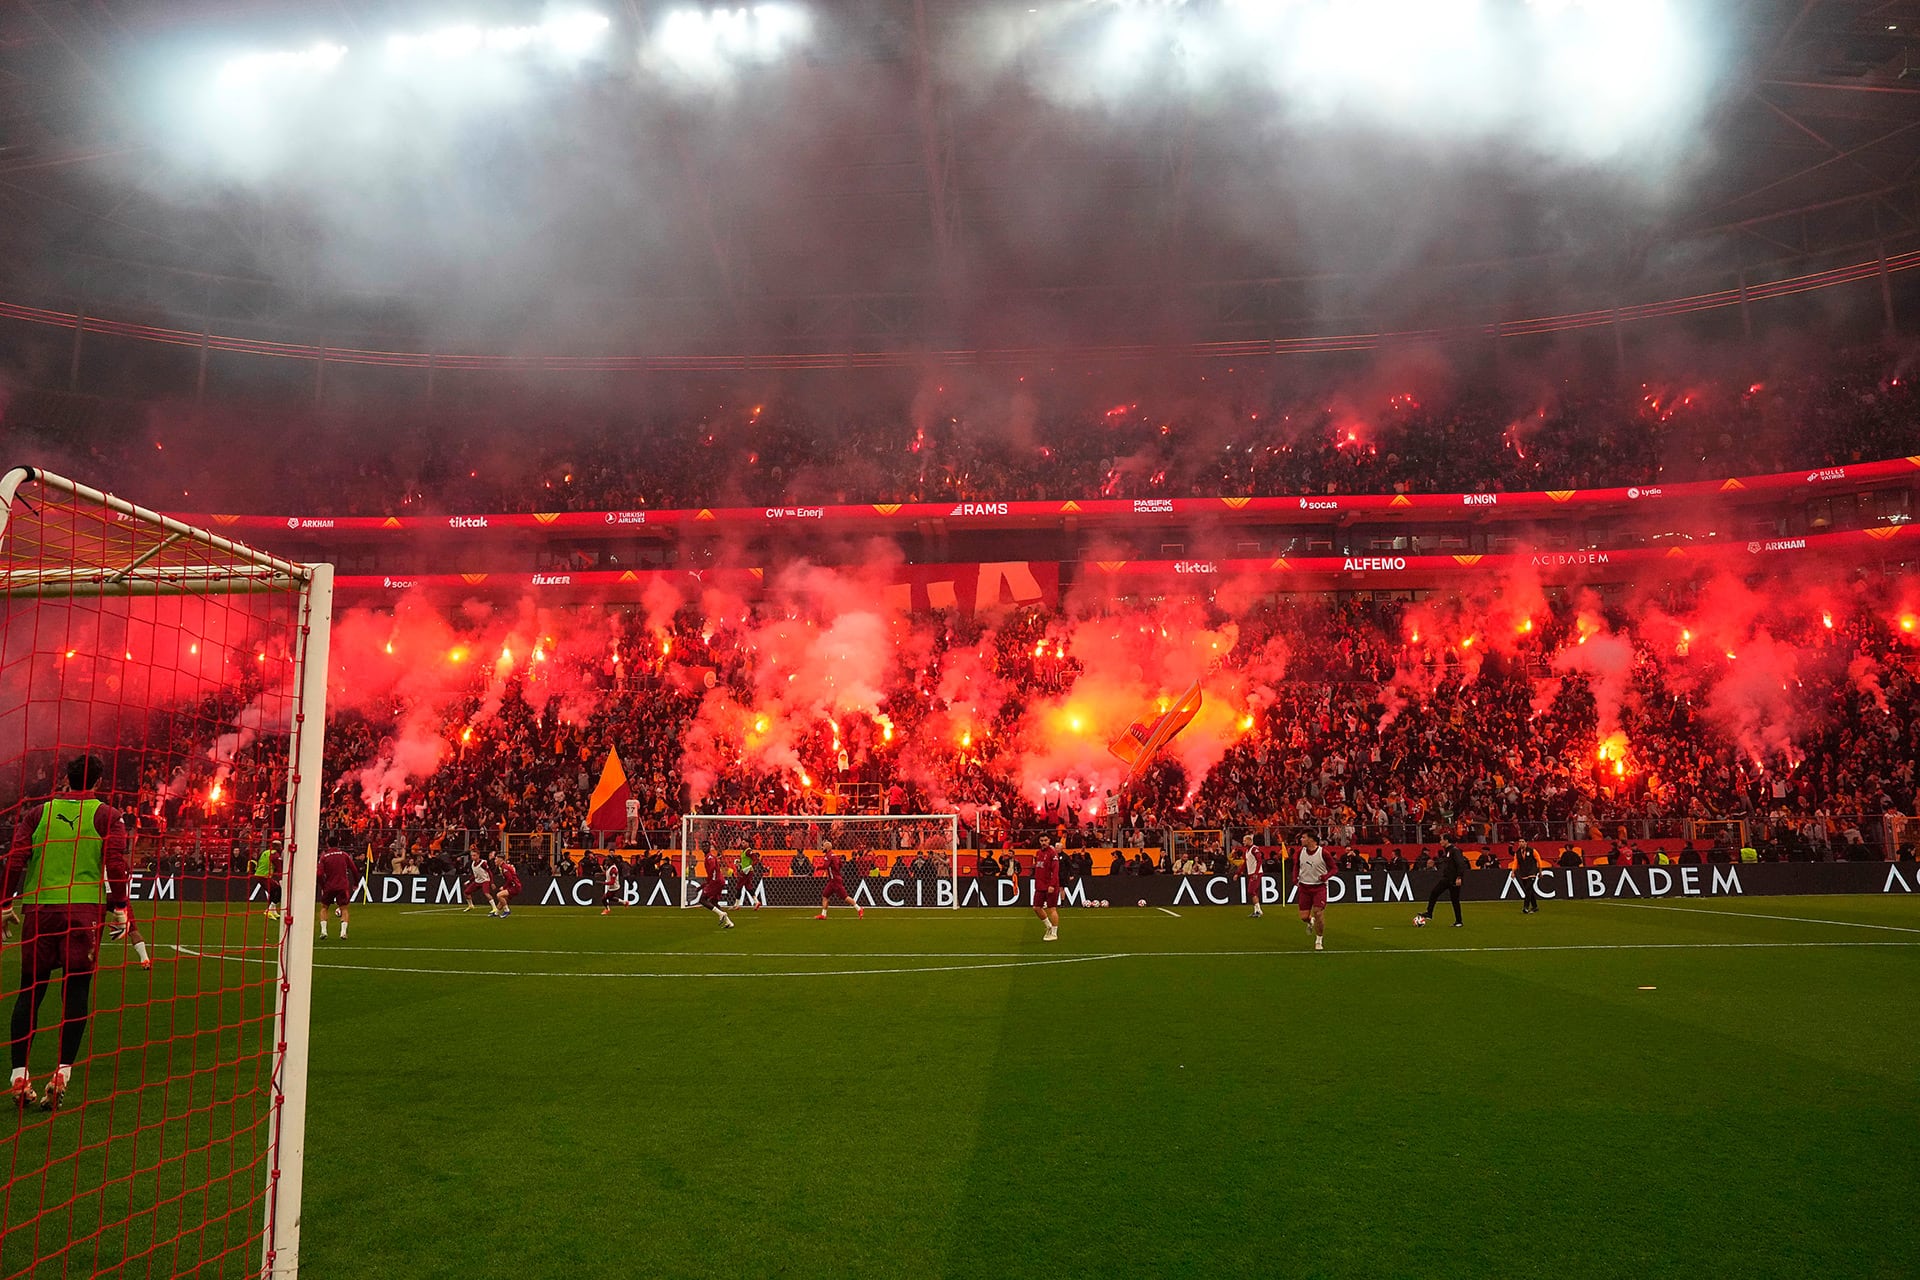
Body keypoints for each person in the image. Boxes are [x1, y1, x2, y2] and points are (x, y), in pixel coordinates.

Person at [3, 754, 131, 1113]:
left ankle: (18, 1074)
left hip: (40, 913)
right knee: (76, 992)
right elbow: (116, 864)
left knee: (30, 991)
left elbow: (15, 857)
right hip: (83, 913)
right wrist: (119, 907)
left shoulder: (38, 813)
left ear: (65, 778)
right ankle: (61, 1074)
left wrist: (4, 903)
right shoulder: (107, 815)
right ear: (99, 782)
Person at [1415, 840, 1469, 927]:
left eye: (1441, 839)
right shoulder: (1448, 851)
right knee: (1437, 894)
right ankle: (1431, 913)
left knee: (1451, 898)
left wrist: (1459, 877)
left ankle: (1457, 921)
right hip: (1448, 878)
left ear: (1446, 840)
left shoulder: (1454, 851)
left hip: (1452, 879)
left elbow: (1460, 864)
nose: (1440, 842)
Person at [1293, 833, 1331, 951]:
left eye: (1304, 837)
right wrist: (1294, 878)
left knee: (1318, 912)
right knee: (1304, 917)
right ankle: (1310, 921)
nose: (1301, 839)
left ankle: (1319, 940)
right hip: (1304, 887)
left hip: (1319, 887)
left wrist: (1326, 876)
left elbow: (1334, 868)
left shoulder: (1323, 853)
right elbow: (1296, 866)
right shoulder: (1300, 852)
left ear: (1311, 840)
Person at [814, 840, 863, 920]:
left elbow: (826, 866)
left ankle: (859, 908)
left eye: (823, 846)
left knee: (845, 897)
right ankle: (823, 915)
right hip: (833, 880)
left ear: (827, 848)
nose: (822, 848)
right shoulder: (835, 855)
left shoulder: (828, 856)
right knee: (825, 896)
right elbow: (840, 864)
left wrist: (818, 867)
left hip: (834, 881)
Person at [317, 846, 358, 939]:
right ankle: (343, 933)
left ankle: (324, 931)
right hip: (342, 886)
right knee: (344, 909)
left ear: (328, 845)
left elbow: (319, 874)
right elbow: (354, 869)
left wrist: (323, 886)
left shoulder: (324, 857)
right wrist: (356, 883)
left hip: (329, 886)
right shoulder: (344, 855)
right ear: (337, 845)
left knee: (324, 907)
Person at [1032, 837, 1062, 942]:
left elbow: (1055, 870)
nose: (1043, 843)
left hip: (1050, 885)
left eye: (1045, 840)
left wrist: (1052, 885)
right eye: (1041, 841)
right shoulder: (1038, 853)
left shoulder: (1053, 853)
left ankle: (1054, 933)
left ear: (1049, 841)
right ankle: (1048, 926)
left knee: (1052, 909)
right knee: (1036, 907)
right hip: (1040, 885)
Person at [697, 851, 734, 929]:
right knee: (714, 902)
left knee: (702, 900)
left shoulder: (710, 857)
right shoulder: (710, 857)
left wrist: (709, 880)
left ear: (709, 847)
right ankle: (728, 922)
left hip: (715, 881)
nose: (704, 848)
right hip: (720, 880)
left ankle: (721, 914)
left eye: (706, 846)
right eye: (703, 846)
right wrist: (702, 886)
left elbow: (712, 868)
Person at [253, 837, 283, 924]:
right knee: (278, 890)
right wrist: (281, 880)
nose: (281, 848)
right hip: (264, 876)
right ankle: (269, 910)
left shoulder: (265, 852)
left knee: (273, 891)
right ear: (277, 847)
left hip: (259, 874)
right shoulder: (275, 855)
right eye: (280, 846)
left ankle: (272, 911)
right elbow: (279, 868)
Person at [1512, 840, 1541, 915]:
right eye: (1519, 842)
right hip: (1523, 873)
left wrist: (1540, 871)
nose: (1521, 843)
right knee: (1529, 890)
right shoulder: (1517, 853)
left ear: (1526, 843)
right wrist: (1513, 872)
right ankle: (1535, 906)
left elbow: (1539, 860)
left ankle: (1525, 907)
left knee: (1528, 889)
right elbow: (1515, 863)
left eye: (1522, 841)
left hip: (1532, 872)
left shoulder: (1532, 851)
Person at [1241, 834, 1266, 919]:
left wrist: (1256, 873)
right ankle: (1256, 911)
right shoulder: (1247, 850)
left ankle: (1259, 910)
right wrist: (1238, 873)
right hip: (1252, 873)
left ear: (1249, 841)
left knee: (1251, 891)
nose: (1243, 842)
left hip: (1256, 873)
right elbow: (1245, 863)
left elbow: (1259, 861)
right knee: (1254, 892)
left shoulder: (1254, 849)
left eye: (1244, 840)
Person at [463, 850, 495, 914]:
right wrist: (469, 881)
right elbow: (475, 875)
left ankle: (494, 908)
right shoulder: (472, 864)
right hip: (477, 881)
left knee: (486, 893)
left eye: (474, 855)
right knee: (466, 892)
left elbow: (489, 872)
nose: (472, 857)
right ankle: (471, 905)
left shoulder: (483, 863)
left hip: (485, 880)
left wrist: (492, 883)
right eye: (471, 855)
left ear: (478, 855)